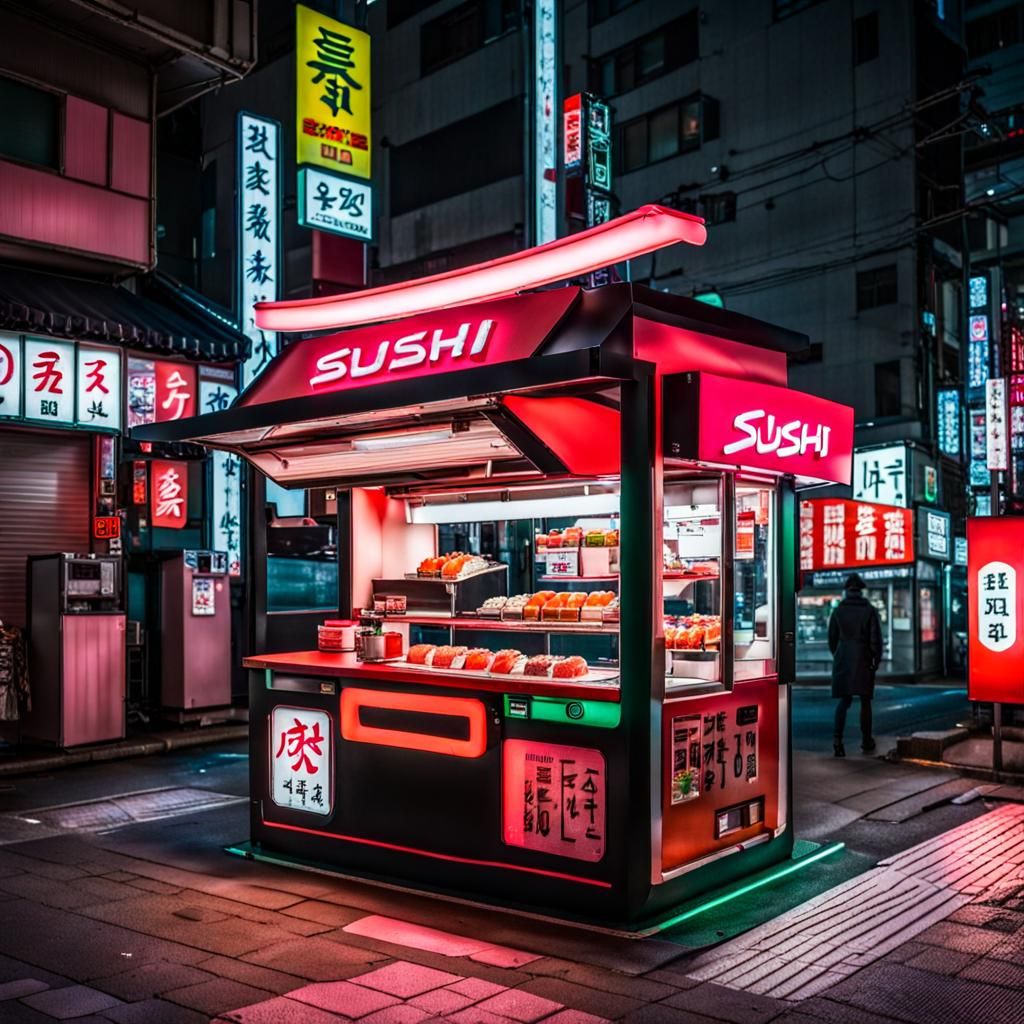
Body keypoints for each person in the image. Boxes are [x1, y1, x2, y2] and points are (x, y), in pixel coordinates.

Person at [827, 573, 882, 757]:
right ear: (861, 591)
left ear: (846, 591)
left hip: (843, 657)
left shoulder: (838, 611)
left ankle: (837, 741)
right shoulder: (869, 610)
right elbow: (875, 639)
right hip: (863, 658)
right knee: (865, 701)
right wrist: (876, 659)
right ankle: (866, 740)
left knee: (844, 700)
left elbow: (832, 638)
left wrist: (839, 653)